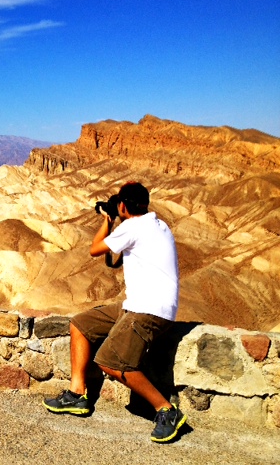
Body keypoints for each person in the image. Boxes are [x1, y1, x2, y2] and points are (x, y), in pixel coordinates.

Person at [43, 181, 187, 443]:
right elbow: (117, 257)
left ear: (122, 205)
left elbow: (95, 249)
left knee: (110, 362)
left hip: (148, 310)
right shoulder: (158, 224)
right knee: (81, 324)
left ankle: (166, 410)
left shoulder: (132, 227)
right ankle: (77, 394)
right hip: (139, 305)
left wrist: (108, 221)